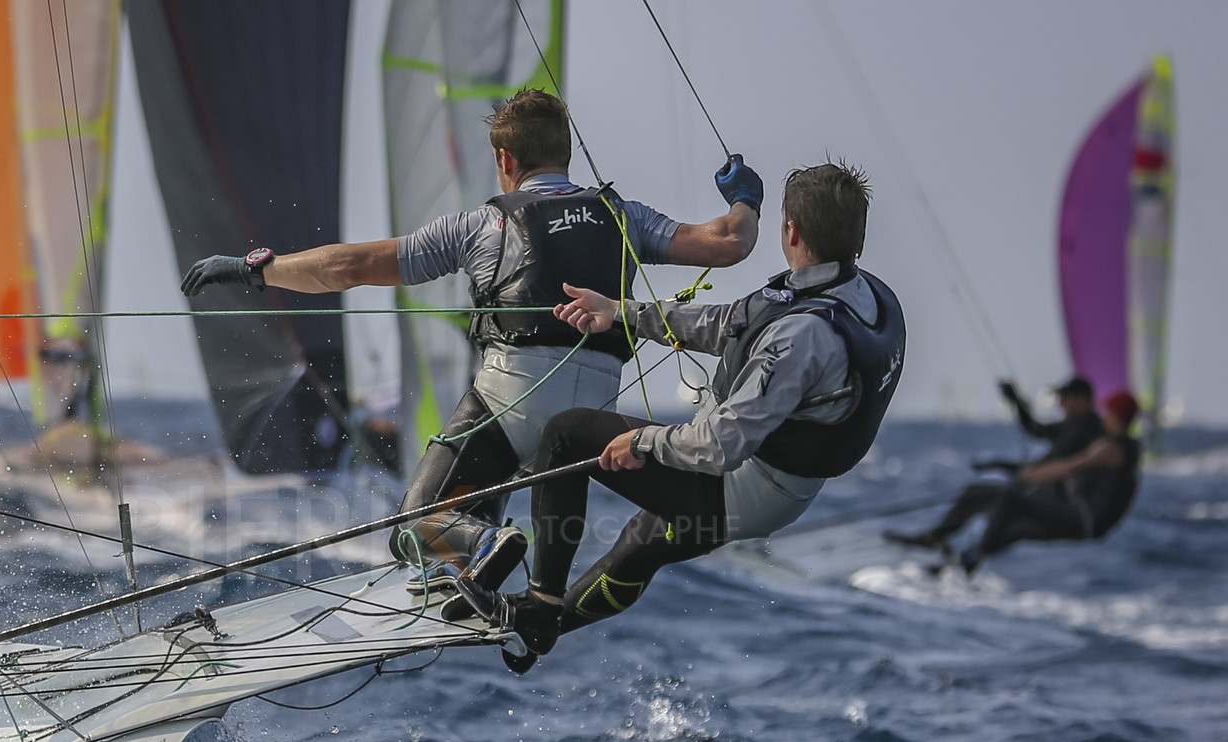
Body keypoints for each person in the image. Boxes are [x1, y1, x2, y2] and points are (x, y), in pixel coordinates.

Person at [179, 89, 761, 595]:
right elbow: (729, 243)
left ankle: (480, 544)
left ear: (505, 159)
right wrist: (746, 199)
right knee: (491, 491)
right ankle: (483, 565)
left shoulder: (485, 225)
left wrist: (259, 268)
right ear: (568, 152)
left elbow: (348, 268)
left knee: (416, 523)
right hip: (592, 427)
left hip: (513, 405)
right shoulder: (624, 216)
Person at [451, 160, 904, 671]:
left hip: (738, 488)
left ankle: (541, 604)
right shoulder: (860, 294)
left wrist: (642, 444)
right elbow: (725, 323)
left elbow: (723, 442)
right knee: (642, 544)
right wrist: (620, 312)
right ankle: (537, 631)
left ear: (790, 230)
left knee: (566, 434)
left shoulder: (801, 337)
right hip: (776, 491)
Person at [887, 390, 1141, 574]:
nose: (1103, 414)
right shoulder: (1111, 444)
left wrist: (1029, 475)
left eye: (1107, 410)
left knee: (1009, 498)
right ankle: (948, 553)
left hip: (1085, 519)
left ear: (1115, 415)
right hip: (1086, 522)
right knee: (1005, 518)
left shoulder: (1111, 448)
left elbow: (1069, 467)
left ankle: (972, 556)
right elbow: (1049, 443)